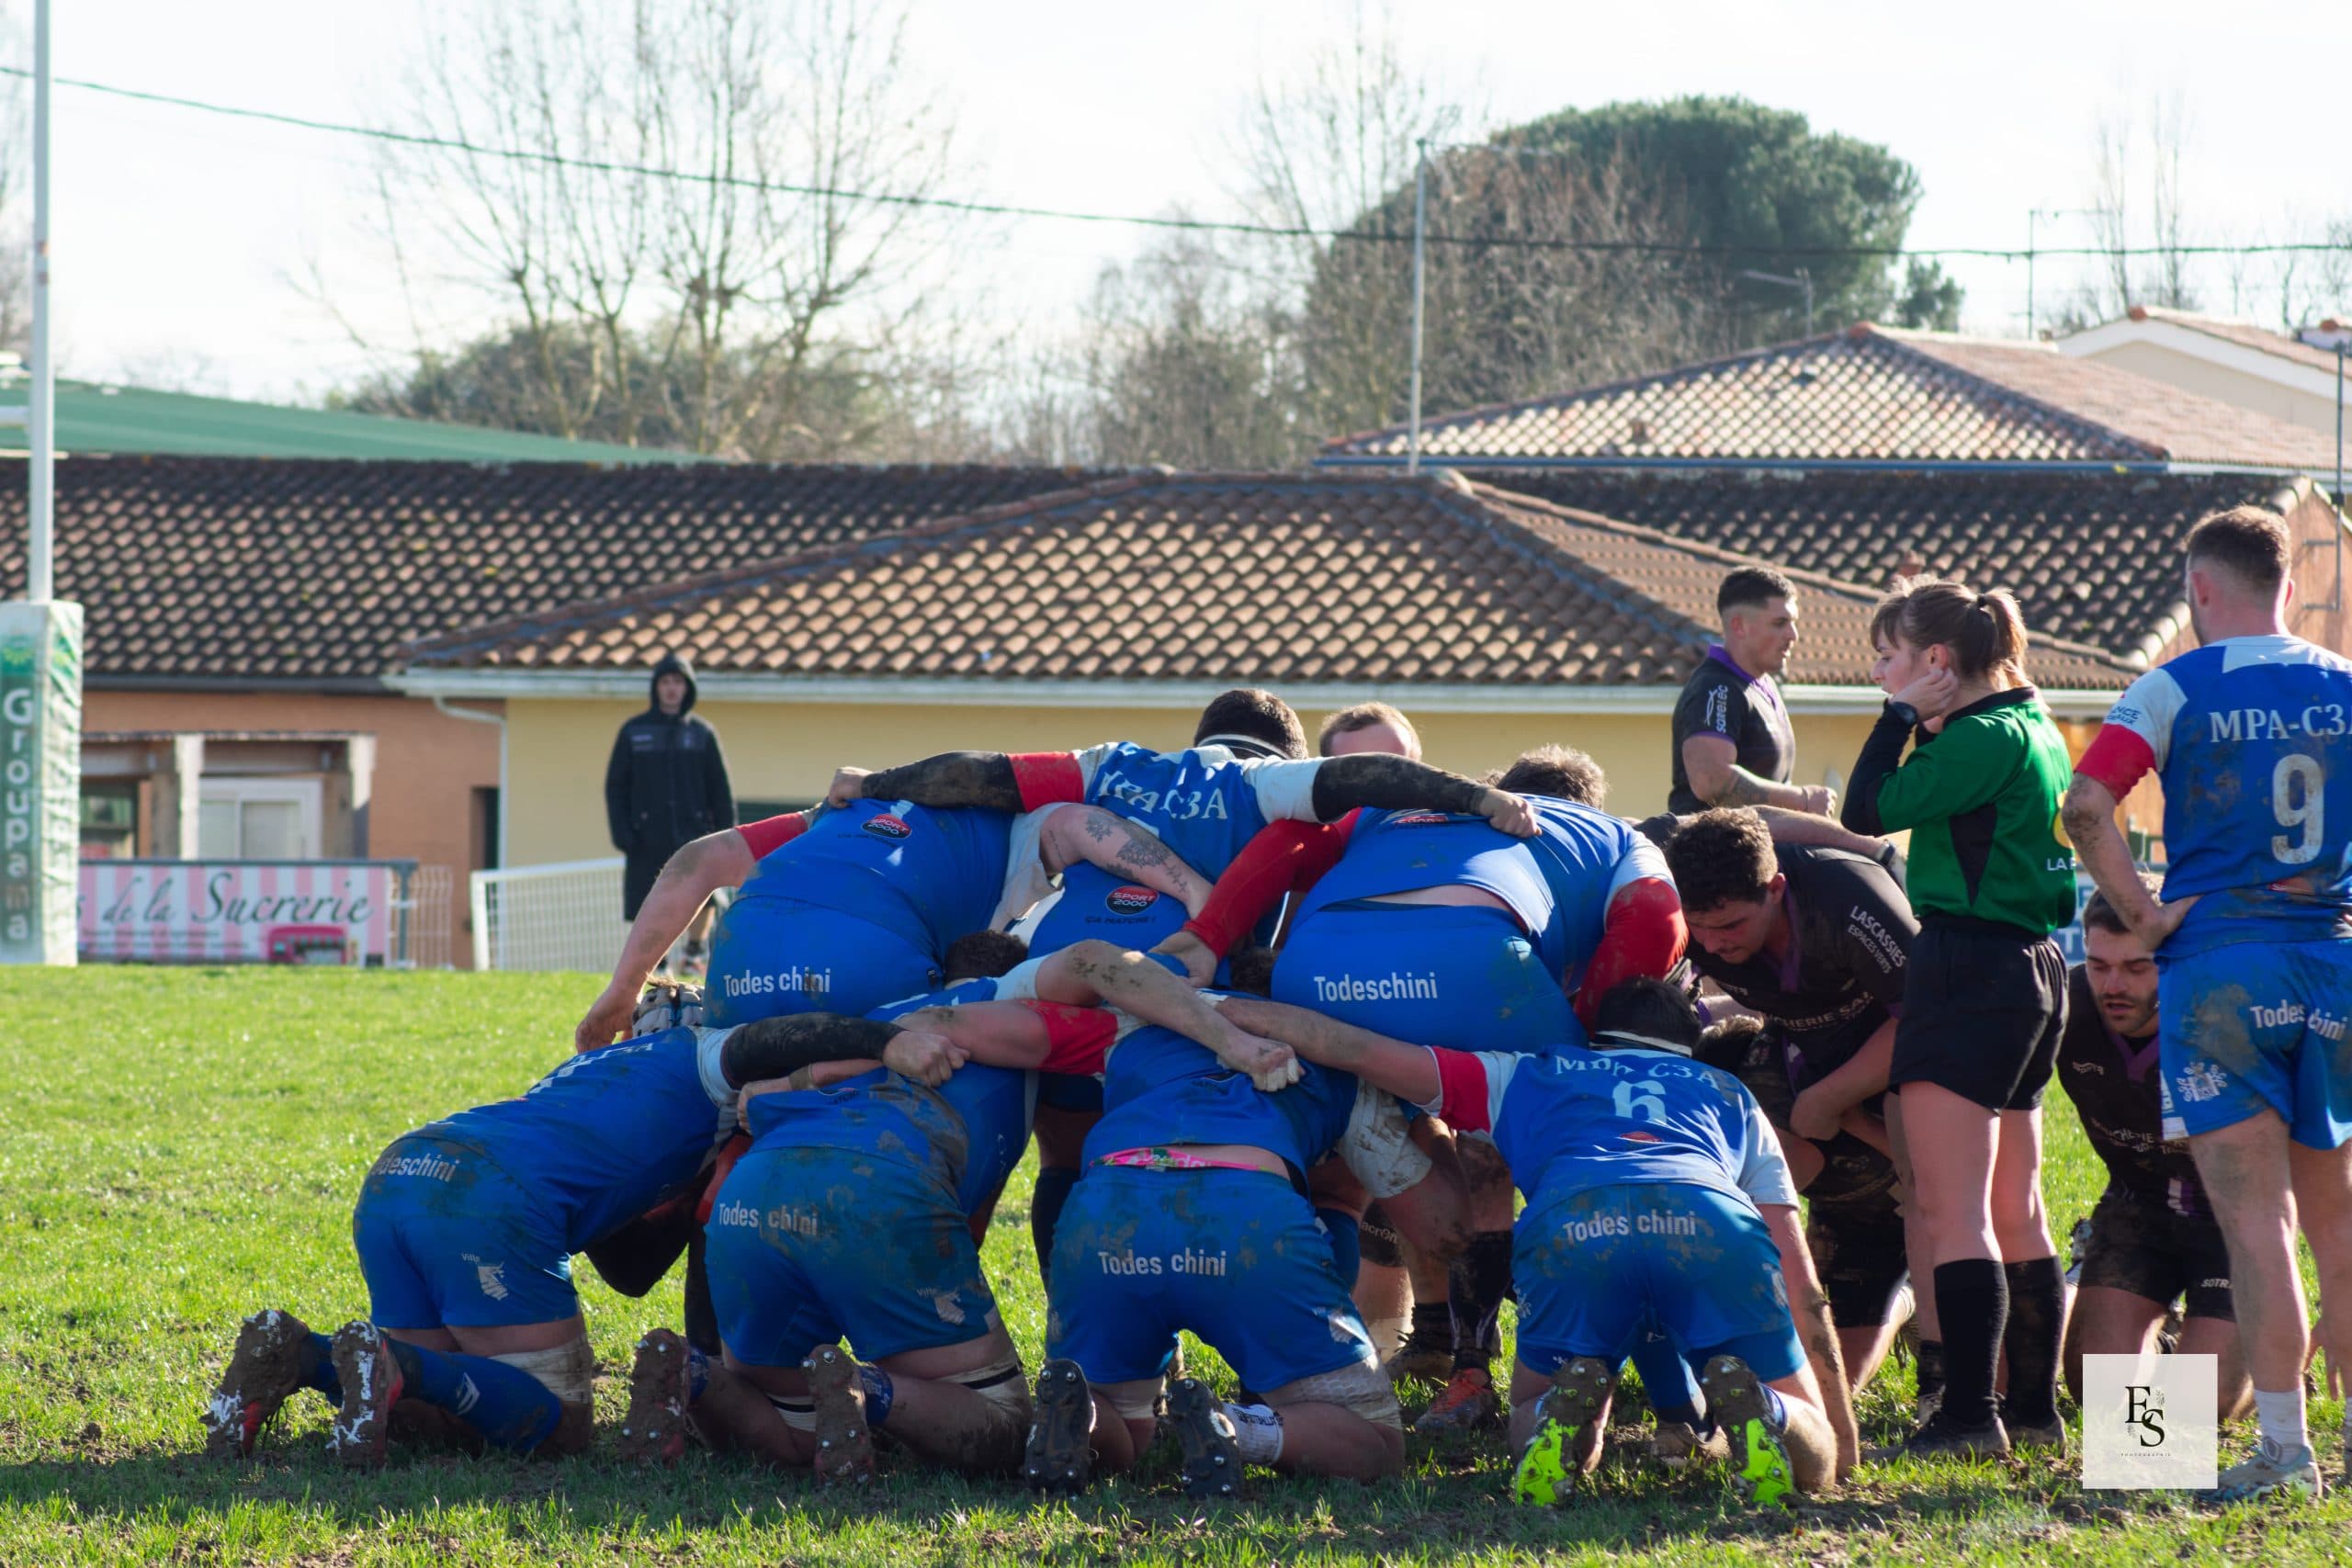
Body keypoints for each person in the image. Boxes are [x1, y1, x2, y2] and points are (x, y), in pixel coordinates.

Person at [620, 936, 1297, 1483]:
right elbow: (1098, 964)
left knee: (786, 1426)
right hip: (879, 1181)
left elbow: (764, 1096)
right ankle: (866, 1388)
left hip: (756, 1188)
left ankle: (693, 1374)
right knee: (1002, 1417)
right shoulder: (1015, 1005)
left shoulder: (882, 1013)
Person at [201, 1010, 956, 1464]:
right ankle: (392, 1362)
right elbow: (771, 1039)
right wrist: (888, 1041)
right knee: (558, 1426)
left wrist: (688, 1190)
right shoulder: (700, 1056)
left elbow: (627, 1268)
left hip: (402, 1171)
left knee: (437, 1420)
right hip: (489, 1194)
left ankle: (303, 1352)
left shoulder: (582, 1075)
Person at [1217, 978, 1859, 1507]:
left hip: (1575, 1219)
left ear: (1594, 1033)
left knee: (1531, 1407)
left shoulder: (1524, 1071)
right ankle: (1770, 1410)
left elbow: (1355, 1047)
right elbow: (1801, 1279)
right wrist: (1842, 1437)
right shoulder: (1730, 1094)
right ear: (1687, 1045)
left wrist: (1206, 1005)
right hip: (1707, 1216)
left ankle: (1557, 1411)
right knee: (1815, 1446)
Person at [2064, 504, 2352, 1502]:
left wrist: (2144, 918)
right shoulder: (2344, 682)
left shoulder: (2173, 685)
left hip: (2223, 974)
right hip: (2331, 960)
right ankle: (2185, 1448)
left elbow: (2084, 806)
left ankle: (2282, 1450)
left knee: (2259, 1225)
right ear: (2288, 587)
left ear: (2197, 590)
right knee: (2335, 1221)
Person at [1020, 982, 1454, 1499]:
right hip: (1242, 1213)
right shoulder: (1337, 1050)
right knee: (1375, 1440)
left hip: (1107, 1205)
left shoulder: (1133, 1025)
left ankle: (1085, 1418)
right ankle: (1233, 1426)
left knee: (1126, 1419)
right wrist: (1432, 1123)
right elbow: (1440, 1229)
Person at [1841, 576, 2076, 1458]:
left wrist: (1901, 718)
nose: (1880, 673)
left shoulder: (1979, 736)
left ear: (1937, 660)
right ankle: (2034, 1412)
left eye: (1890, 658)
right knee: (2017, 1206)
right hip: (2033, 967)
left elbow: (1868, 808)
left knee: (1951, 1208)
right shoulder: (2035, 723)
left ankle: (1970, 1416)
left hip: (1970, 965)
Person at [575, 800, 1209, 1050]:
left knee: (745, 1120)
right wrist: (1197, 894)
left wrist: (621, 993)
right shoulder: (1020, 823)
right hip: (867, 958)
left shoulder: (835, 815)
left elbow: (698, 860)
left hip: (741, 959)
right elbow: (1084, 827)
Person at [1666, 808, 1920, 1393]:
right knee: (1822, 1380)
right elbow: (1718, 814)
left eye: (1731, 925)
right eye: (1700, 928)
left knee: (1834, 1384)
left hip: (1900, 1088)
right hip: (1810, 1087)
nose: (1714, 943)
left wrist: (1835, 1097)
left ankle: (1913, 1302)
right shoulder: (1673, 879)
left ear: (1776, 888)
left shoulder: (1848, 901)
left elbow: (1925, 1022)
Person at [2055, 880, 2250, 1422]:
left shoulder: (2227, 1013)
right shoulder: (2065, 1004)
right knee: (2100, 1396)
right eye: (2099, 966)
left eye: (2137, 968)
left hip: (2236, 1224)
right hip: (2138, 1204)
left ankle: (2272, 1354)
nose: (2113, 986)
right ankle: (2164, 1341)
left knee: (2196, 1409)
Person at [1669, 568, 1833, 818]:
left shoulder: (1764, 684)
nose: (1793, 635)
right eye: (1780, 623)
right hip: (1712, 842)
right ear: (1739, 626)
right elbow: (1711, 780)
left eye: (1793, 623)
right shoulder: (1715, 687)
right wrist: (1803, 800)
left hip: (1757, 840)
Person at [605, 653, 734, 965]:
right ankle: (655, 962)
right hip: (646, 837)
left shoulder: (702, 734)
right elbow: (616, 787)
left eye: (678, 682)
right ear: (656, 687)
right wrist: (623, 834)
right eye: (665, 682)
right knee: (648, 900)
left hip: (696, 833)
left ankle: (693, 954)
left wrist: (727, 835)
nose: (672, 688)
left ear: (687, 687)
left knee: (705, 894)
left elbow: (720, 789)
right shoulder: (634, 732)